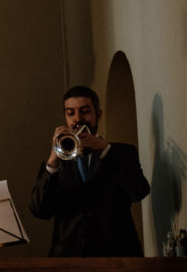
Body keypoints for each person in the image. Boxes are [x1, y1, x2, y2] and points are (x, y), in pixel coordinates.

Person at [29, 85, 150, 256]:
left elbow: (139, 191)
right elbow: (39, 210)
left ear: (98, 114)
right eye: (70, 113)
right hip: (67, 259)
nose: (77, 118)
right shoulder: (59, 161)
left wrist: (105, 150)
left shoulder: (122, 152)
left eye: (84, 111)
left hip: (117, 255)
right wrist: (53, 159)